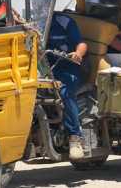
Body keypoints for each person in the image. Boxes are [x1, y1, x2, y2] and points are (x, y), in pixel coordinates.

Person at [47, 12, 88, 161]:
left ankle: (75, 137)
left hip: (68, 67)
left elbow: (82, 43)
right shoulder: (34, 22)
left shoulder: (64, 21)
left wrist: (78, 54)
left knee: (65, 92)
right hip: (46, 69)